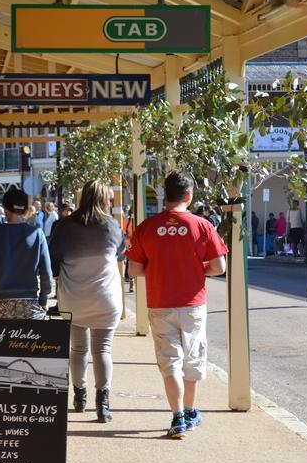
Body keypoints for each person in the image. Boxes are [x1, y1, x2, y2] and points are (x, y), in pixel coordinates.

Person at [127, 172, 227, 439]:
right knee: (192, 358)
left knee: (170, 361)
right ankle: (191, 411)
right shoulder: (202, 225)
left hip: (160, 301)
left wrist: (162, 268)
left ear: (165, 196)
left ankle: (178, 417)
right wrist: (193, 267)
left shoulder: (147, 227)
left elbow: (135, 269)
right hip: (192, 302)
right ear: (189, 195)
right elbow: (219, 267)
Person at [49, 181, 125, 423]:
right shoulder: (111, 226)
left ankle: (79, 396)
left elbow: (54, 260)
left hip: (74, 297)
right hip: (105, 298)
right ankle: (103, 403)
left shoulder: (64, 226)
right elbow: (121, 253)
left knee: (78, 349)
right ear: (104, 200)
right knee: (103, 349)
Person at [0, 188, 52, 319]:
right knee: (29, 340)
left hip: (1, 303)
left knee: (2, 339)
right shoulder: (37, 234)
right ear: (26, 210)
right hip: (30, 302)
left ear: (5, 209)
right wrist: (43, 300)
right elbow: (46, 272)